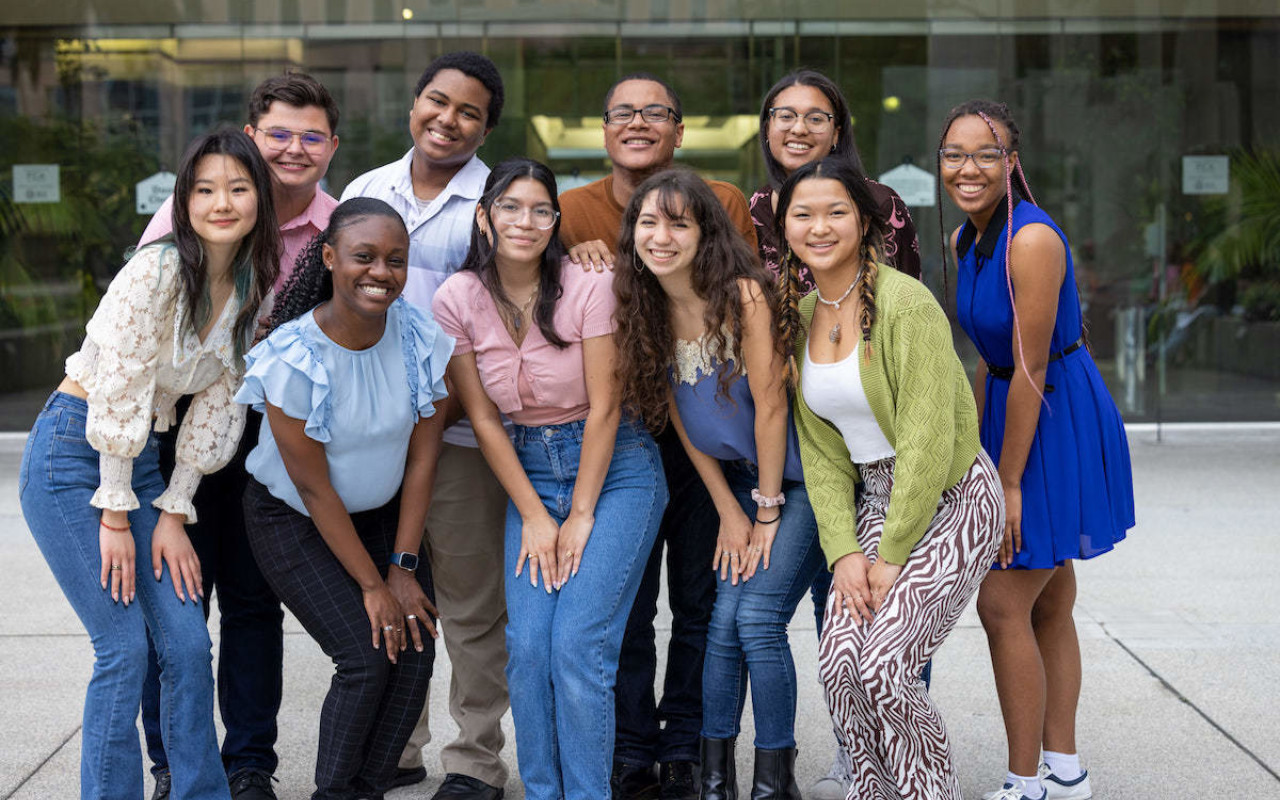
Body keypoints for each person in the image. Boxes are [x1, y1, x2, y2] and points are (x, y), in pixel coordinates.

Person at [18, 126, 281, 800]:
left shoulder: (255, 283)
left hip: (143, 469)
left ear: (260, 197)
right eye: (205, 189)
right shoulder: (158, 269)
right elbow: (122, 386)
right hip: (75, 456)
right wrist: (113, 510)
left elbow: (218, 407)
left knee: (189, 646)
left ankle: (201, 792)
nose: (221, 202)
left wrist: (172, 508)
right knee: (124, 649)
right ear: (185, 199)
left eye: (238, 187)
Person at [432, 157, 668, 800]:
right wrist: (537, 516)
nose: (525, 221)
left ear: (555, 221)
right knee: (529, 647)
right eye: (509, 206)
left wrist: (581, 514)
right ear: (484, 217)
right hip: (529, 473)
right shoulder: (457, 298)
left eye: (540, 209)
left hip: (615, 471)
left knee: (577, 645)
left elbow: (607, 405)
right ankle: (544, 791)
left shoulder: (589, 285)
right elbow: (481, 418)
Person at [137, 70, 341, 800]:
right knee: (177, 609)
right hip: (176, 435)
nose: (293, 149)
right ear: (252, 138)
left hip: (270, 440)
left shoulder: (335, 228)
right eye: (278, 134)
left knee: (254, 604)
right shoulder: (187, 215)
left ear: (331, 146)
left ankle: (250, 762)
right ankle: (174, 764)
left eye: (310, 136)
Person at [557, 71, 757, 800]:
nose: (637, 123)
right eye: (622, 113)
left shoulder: (724, 201)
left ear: (679, 130)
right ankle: (630, 747)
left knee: (703, 601)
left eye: (654, 113)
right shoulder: (569, 210)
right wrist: (569, 259)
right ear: (604, 129)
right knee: (628, 603)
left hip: (704, 429)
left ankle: (689, 748)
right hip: (621, 435)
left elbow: (734, 298)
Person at [779, 156, 1004, 800]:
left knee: (883, 665)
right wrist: (845, 552)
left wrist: (890, 555)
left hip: (952, 497)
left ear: (864, 221)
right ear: (786, 226)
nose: (819, 227)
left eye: (836, 212)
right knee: (840, 663)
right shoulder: (799, 316)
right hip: (875, 501)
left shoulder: (905, 304)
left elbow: (929, 441)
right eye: (803, 214)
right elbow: (822, 454)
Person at [937, 100, 1134, 800]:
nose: (968, 167)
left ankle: (1028, 783)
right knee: (1051, 603)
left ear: (1012, 163)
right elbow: (992, 363)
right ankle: (1067, 772)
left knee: (1000, 604)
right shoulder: (967, 238)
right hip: (1009, 413)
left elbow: (1030, 367)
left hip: (1055, 415)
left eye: (986, 154)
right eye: (954, 153)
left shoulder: (1030, 241)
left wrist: (1010, 481)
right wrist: (980, 457)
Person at [613, 169, 823, 800]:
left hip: (801, 483)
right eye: (648, 222)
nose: (661, 236)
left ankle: (774, 779)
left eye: (679, 222)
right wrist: (726, 507)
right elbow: (683, 418)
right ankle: (714, 780)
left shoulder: (744, 296)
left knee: (755, 620)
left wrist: (762, 510)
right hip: (736, 482)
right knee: (722, 622)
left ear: (706, 231)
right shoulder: (644, 304)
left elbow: (770, 409)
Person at [237, 197, 452, 800]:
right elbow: (312, 486)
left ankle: (368, 790)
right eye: (364, 256)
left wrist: (403, 568)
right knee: (364, 656)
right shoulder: (293, 357)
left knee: (412, 652)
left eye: (395, 260)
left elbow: (424, 455)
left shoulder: (418, 337)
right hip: (293, 517)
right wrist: (373, 585)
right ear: (330, 258)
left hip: (384, 515)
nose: (380, 272)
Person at [749, 67, 926, 799]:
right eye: (783, 115)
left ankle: (885, 753)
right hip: (797, 431)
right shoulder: (757, 209)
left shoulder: (881, 203)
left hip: (875, 428)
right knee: (832, 595)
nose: (798, 127)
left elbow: (903, 315)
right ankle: (857, 744)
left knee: (875, 602)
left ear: (839, 128)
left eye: (815, 116)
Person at [341, 51, 510, 799]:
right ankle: (399, 746)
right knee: (390, 592)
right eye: (437, 103)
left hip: (462, 435)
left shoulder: (499, 198)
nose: (449, 119)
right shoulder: (364, 189)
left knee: (471, 603)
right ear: (413, 105)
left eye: (469, 111)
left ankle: (474, 760)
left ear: (486, 127)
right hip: (371, 432)